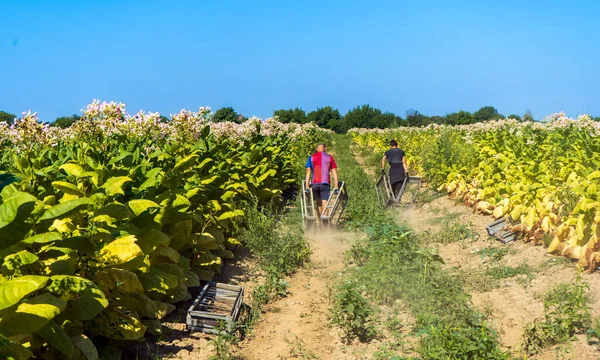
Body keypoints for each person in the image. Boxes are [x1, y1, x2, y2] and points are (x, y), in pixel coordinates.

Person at [305, 143, 339, 218]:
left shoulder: (311, 158)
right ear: (324, 148)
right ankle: (325, 222)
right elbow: (334, 173)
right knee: (325, 203)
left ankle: (321, 222)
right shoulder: (330, 157)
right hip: (325, 183)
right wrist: (336, 186)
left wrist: (307, 186)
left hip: (314, 184)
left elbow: (308, 172)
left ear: (316, 149)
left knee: (319, 204)